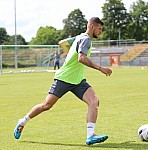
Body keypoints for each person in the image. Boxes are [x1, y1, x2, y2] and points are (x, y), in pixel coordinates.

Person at [14, 17, 112, 145]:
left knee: (94, 101)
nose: (101, 32)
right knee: (46, 105)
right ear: (92, 26)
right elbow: (81, 58)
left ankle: (90, 136)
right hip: (64, 78)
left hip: (78, 80)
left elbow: (63, 42)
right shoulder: (86, 39)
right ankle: (22, 121)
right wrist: (100, 68)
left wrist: (69, 54)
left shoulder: (79, 37)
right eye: (99, 29)